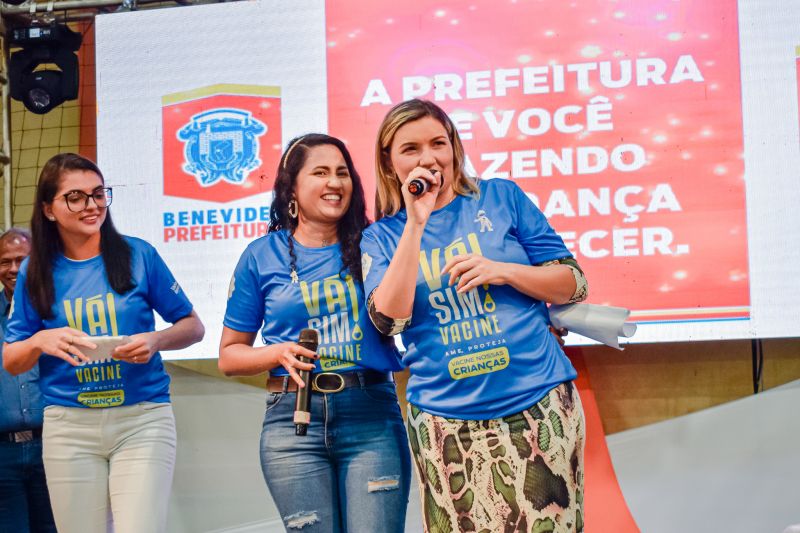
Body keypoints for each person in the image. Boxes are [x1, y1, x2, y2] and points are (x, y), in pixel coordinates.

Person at [361, 99, 590, 532]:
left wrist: (504, 271)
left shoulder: (501, 197)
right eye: (411, 149)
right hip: (445, 422)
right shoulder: (381, 237)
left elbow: (574, 282)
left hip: (538, 404)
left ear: (454, 147)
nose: (429, 158)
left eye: (438, 143)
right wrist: (415, 223)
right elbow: (389, 321)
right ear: (390, 164)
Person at [2, 153, 205, 533]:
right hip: (68, 425)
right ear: (48, 209)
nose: (92, 205)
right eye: (75, 197)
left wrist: (156, 339)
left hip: (142, 419)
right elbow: (12, 359)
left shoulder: (138, 254)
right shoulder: (35, 270)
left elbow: (193, 326)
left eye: (98, 193)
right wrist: (40, 340)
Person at [219, 134, 411, 533]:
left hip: (371, 416)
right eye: (320, 172)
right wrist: (277, 353)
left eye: (342, 173)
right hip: (292, 422)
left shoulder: (377, 243)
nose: (335, 182)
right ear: (291, 188)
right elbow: (230, 355)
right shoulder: (261, 255)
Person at [0, 228, 57, 533]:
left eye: (21, 260)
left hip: (52, 446)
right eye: (5, 261)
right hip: (3, 455)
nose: (13, 269)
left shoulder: (58, 313)